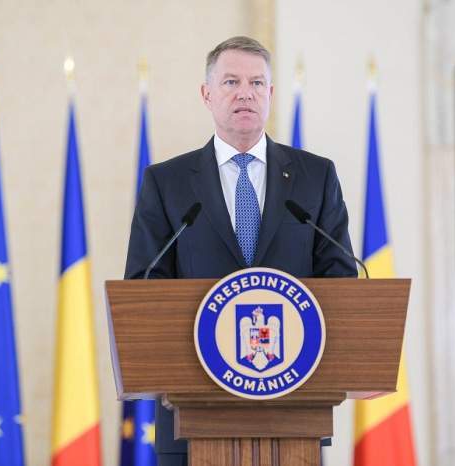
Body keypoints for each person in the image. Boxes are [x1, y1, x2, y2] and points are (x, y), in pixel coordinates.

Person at [124, 36, 357, 466]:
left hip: (293, 415)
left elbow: (341, 281)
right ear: (206, 94)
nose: (245, 93)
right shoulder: (167, 182)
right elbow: (144, 286)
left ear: (271, 93)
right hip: (192, 419)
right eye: (231, 82)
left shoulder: (316, 176)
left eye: (256, 83)